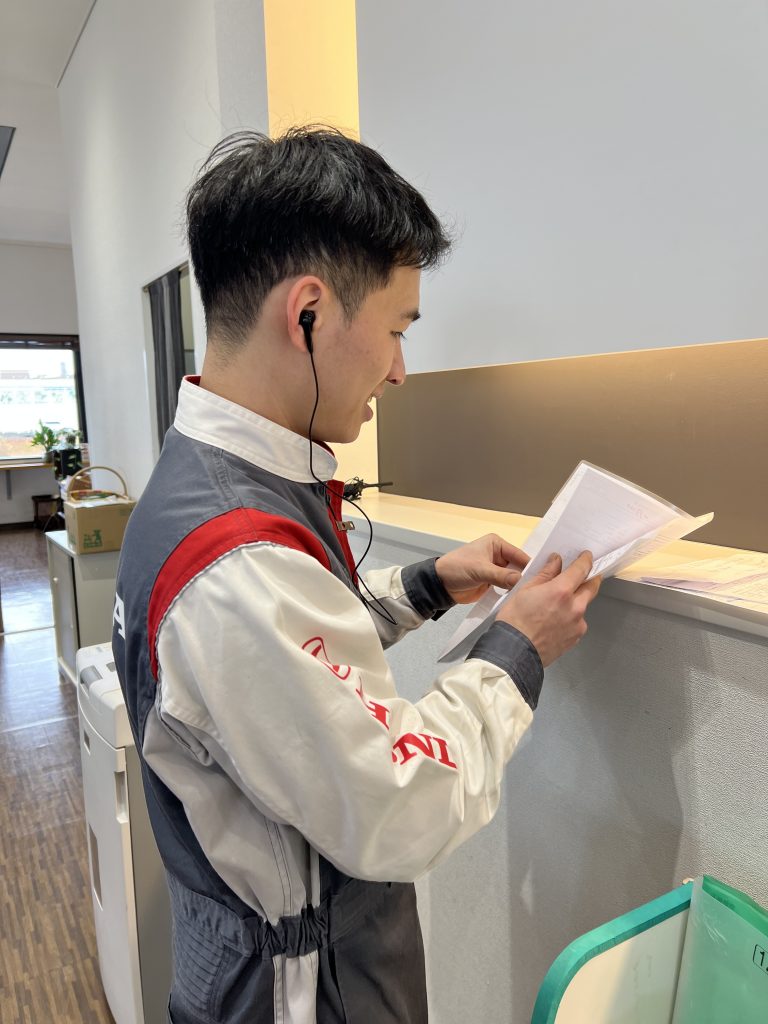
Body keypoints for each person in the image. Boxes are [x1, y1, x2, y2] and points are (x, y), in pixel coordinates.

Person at [112, 127, 601, 1024]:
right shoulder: (237, 563)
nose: (401, 371)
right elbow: (401, 803)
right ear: (308, 312)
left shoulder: (207, 485)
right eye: (397, 331)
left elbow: (290, 662)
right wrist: (517, 648)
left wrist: (428, 585)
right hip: (301, 997)